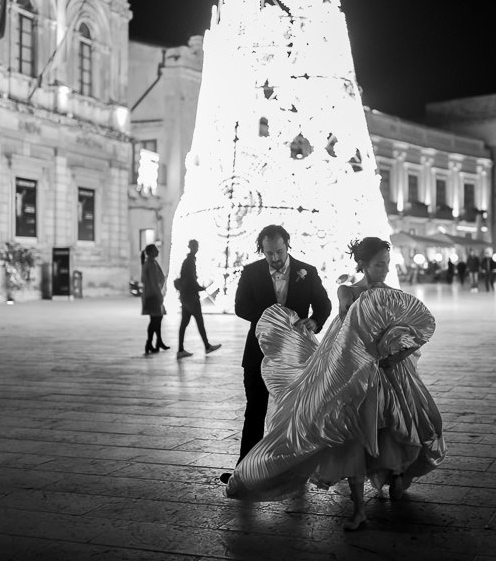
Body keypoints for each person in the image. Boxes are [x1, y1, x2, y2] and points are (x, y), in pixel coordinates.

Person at [225, 237, 446, 531]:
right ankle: (357, 508)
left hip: (386, 372)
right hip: (349, 370)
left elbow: (413, 331)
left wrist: (394, 352)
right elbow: (345, 317)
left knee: (391, 426)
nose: (384, 269)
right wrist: (360, 317)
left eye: (387, 264)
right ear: (363, 264)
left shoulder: (394, 294)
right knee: (350, 433)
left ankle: (395, 475)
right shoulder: (349, 291)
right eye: (379, 264)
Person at [220, 225, 331, 484]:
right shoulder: (251, 272)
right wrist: (273, 320)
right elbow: (240, 306)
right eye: (269, 253)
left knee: (296, 411)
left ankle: (297, 467)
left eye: (279, 252)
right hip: (259, 351)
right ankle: (244, 471)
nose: (275, 258)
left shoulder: (308, 271)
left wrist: (314, 322)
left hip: (296, 354)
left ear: (287, 245)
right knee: (255, 409)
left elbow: (324, 304)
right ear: (262, 250)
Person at [175, 239, 221, 359]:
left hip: (186, 296)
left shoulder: (189, 260)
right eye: (195, 246)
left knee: (184, 323)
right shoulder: (189, 261)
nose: (197, 248)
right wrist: (200, 288)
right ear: (191, 247)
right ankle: (207, 346)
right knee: (199, 322)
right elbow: (190, 279)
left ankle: (181, 349)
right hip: (191, 297)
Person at [140, 244, 168, 354]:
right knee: (155, 319)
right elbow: (154, 282)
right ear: (151, 252)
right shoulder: (151, 264)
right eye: (156, 250)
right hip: (153, 295)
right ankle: (151, 342)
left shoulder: (151, 263)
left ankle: (156, 342)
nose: (158, 252)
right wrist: (159, 295)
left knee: (156, 319)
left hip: (151, 294)